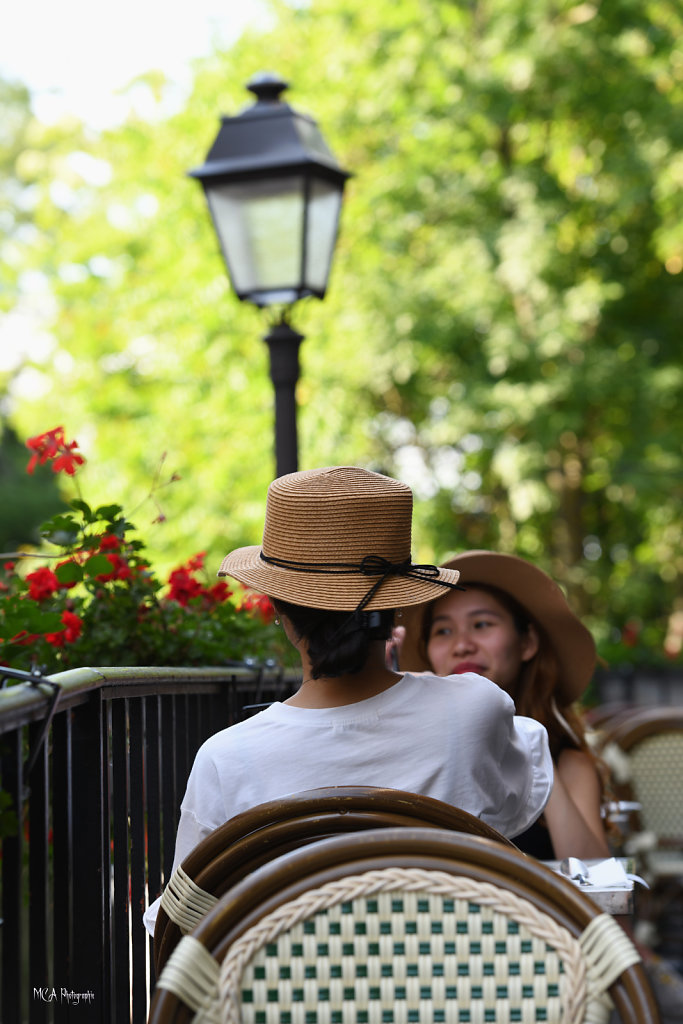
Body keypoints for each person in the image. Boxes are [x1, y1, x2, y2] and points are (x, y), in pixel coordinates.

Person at [144, 469, 553, 936]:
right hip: (449, 992)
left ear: (278, 608)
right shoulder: (473, 708)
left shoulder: (227, 757)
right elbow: (514, 797)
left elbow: (182, 925)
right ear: (399, 608)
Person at [395, 550, 610, 861]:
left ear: (527, 643)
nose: (461, 645)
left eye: (481, 624)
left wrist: (532, 752)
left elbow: (602, 900)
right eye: (443, 630)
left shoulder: (568, 763)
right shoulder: (411, 752)